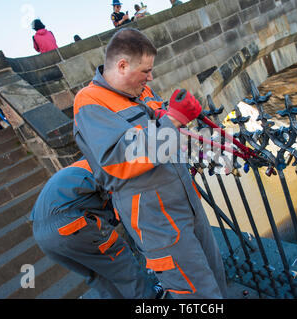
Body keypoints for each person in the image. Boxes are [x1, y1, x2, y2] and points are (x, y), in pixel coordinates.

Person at [73, 28, 228, 299]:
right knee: (194, 293)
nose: (151, 77)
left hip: (185, 203)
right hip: (156, 219)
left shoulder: (140, 90)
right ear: (122, 65)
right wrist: (173, 121)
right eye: (146, 71)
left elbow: (159, 124)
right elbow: (115, 162)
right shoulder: (89, 101)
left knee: (215, 274)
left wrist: (168, 112)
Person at [30, 158, 163, 298]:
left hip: (40, 233)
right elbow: (123, 202)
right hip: (67, 222)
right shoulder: (105, 163)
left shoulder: (78, 168)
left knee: (95, 273)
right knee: (119, 261)